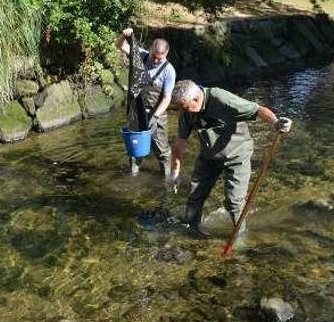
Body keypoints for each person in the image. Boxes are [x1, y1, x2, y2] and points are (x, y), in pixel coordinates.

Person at [169, 79, 291, 237]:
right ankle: (191, 230)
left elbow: (257, 110)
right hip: (209, 157)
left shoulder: (220, 98)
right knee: (195, 195)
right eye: (181, 108)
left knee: (234, 202)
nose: (185, 112)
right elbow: (180, 143)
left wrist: (275, 122)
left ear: (196, 99)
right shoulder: (186, 111)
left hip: (237, 155)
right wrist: (175, 172)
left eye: (186, 108)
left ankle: (239, 237)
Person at [116, 28, 176, 176]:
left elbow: (167, 98)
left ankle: (167, 180)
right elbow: (120, 45)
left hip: (157, 114)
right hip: (136, 113)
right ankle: (134, 176)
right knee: (134, 150)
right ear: (149, 50)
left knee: (162, 152)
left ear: (166, 54)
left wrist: (155, 117)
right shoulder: (141, 56)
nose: (155, 60)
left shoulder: (169, 71)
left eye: (159, 58)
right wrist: (124, 35)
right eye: (153, 56)